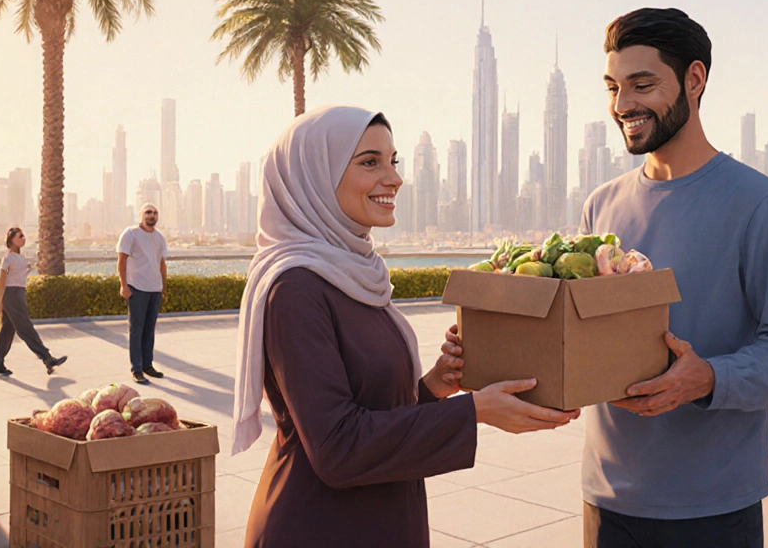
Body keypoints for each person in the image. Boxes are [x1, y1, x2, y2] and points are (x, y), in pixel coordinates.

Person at [232, 106, 578, 547]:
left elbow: (372, 409)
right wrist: (475, 412)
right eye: (369, 162)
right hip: (320, 527)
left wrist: (434, 387)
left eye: (393, 162)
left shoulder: (355, 272)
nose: (394, 178)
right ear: (314, 176)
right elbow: (337, 446)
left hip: (380, 518)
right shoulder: (296, 289)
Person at [580, 8, 768, 547]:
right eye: (614, 88)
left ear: (694, 79)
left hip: (714, 508)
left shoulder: (759, 203)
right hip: (606, 500)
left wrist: (707, 377)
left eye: (642, 85)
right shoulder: (600, 207)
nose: (623, 106)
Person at [0, 227, 67, 376]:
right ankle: (47, 358)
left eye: (23, 236)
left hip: (19, 292)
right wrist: (0, 301)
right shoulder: (8, 258)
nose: (23, 238)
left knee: (7, 330)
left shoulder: (21, 257)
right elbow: (2, 280)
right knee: (25, 328)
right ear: (11, 239)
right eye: (20, 236)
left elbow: (18, 275)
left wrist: (29, 269)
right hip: (12, 294)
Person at [117, 203, 168, 384]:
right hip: (137, 288)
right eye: (148, 212)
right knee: (136, 330)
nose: (152, 215)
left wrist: (163, 286)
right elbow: (121, 261)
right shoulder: (130, 234)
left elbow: (161, 263)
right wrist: (124, 286)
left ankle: (148, 365)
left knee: (149, 330)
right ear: (141, 215)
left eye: (155, 213)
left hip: (155, 289)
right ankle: (136, 369)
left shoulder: (159, 237)